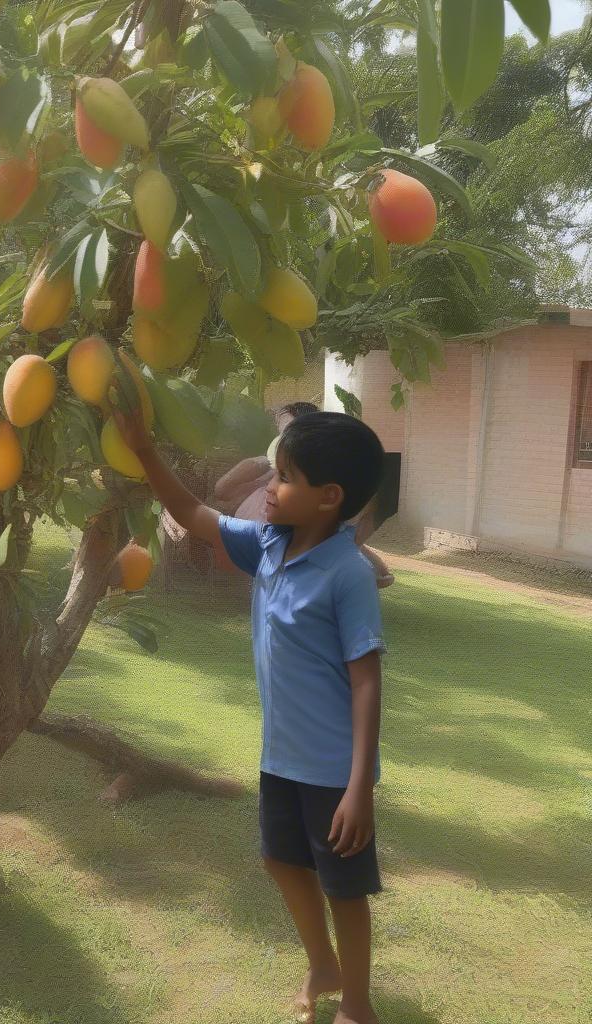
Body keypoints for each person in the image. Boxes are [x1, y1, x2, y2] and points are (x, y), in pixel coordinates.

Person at [116, 407, 387, 1024]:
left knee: (343, 887)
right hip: (281, 754)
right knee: (280, 860)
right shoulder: (269, 545)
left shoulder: (347, 574)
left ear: (329, 497)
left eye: (284, 476)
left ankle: (358, 1004)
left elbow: (366, 681)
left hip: (331, 768)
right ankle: (322, 965)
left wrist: (358, 787)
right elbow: (194, 515)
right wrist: (143, 448)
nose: (268, 486)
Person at [213, 403, 395, 588]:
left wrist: (379, 572)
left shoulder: (311, 491)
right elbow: (222, 490)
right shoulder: (266, 474)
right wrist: (263, 463)